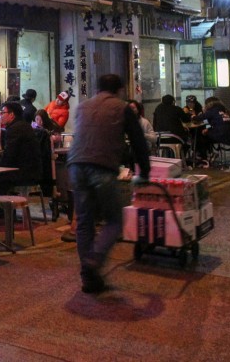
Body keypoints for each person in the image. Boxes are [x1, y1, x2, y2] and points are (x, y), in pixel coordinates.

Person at [68, 74, 150, 294]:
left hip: (75, 166)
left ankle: (89, 279)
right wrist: (145, 173)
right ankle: (95, 258)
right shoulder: (122, 108)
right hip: (101, 167)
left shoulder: (83, 107)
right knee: (115, 220)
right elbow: (139, 142)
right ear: (120, 90)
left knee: (84, 222)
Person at [0, 101, 42, 205]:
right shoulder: (24, 126)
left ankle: (0, 213)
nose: (0, 116)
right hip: (31, 171)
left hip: (23, 173)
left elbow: (9, 157)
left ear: (12, 114)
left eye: (3, 112)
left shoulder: (15, 129)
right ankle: (6, 212)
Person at [192, 97, 230, 166]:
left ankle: (204, 157)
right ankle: (210, 154)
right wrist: (208, 129)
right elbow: (219, 123)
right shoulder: (224, 110)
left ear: (209, 104)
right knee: (205, 134)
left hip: (221, 135)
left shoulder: (213, 110)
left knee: (200, 137)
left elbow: (199, 118)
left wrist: (192, 116)